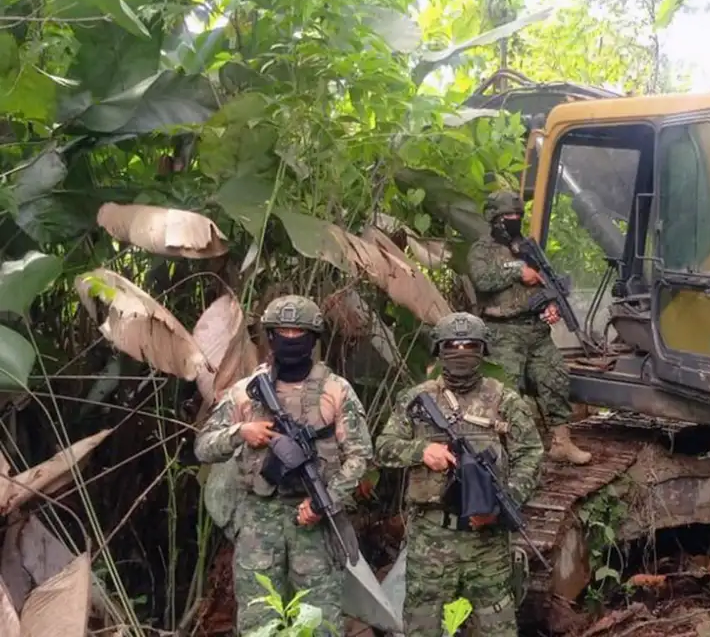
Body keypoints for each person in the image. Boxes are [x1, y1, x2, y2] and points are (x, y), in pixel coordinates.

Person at [194, 295, 373, 635]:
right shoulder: (246, 392)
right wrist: (240, 432)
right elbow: (203, 447)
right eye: (283, 332)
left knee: (320, 624)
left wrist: (325, 501)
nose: (291, 339)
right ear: (271, 337)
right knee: (259, 622)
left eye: (299, 333)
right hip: (259, 522)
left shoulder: (336, 391)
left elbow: (360, 455)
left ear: (313, 339)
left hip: (315, 524)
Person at [374, 312, 545, 637]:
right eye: (453, 345)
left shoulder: (505, 400)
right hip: (432, 538)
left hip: (487, 543)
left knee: (496, 628)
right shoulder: (416, 399)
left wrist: (503, 502)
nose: (462, 352)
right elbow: (383, 447)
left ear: (483, 350)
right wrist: (421, 451)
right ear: (440, 349)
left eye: (470, 345)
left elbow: (532, 454)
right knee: (422, 626)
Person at [466, 189, 592, 465]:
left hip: (536, 331)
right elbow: (482, 281)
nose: (514, 220)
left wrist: (551, 306)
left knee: (556, 378)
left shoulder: (527, 247)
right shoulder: (482, 250)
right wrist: (516, 271)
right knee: (506, 393)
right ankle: (506, 454)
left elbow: (544, 283)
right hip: (503, 332)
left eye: (518, 216)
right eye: (508, 216)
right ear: (494, 218)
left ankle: (562, 442)